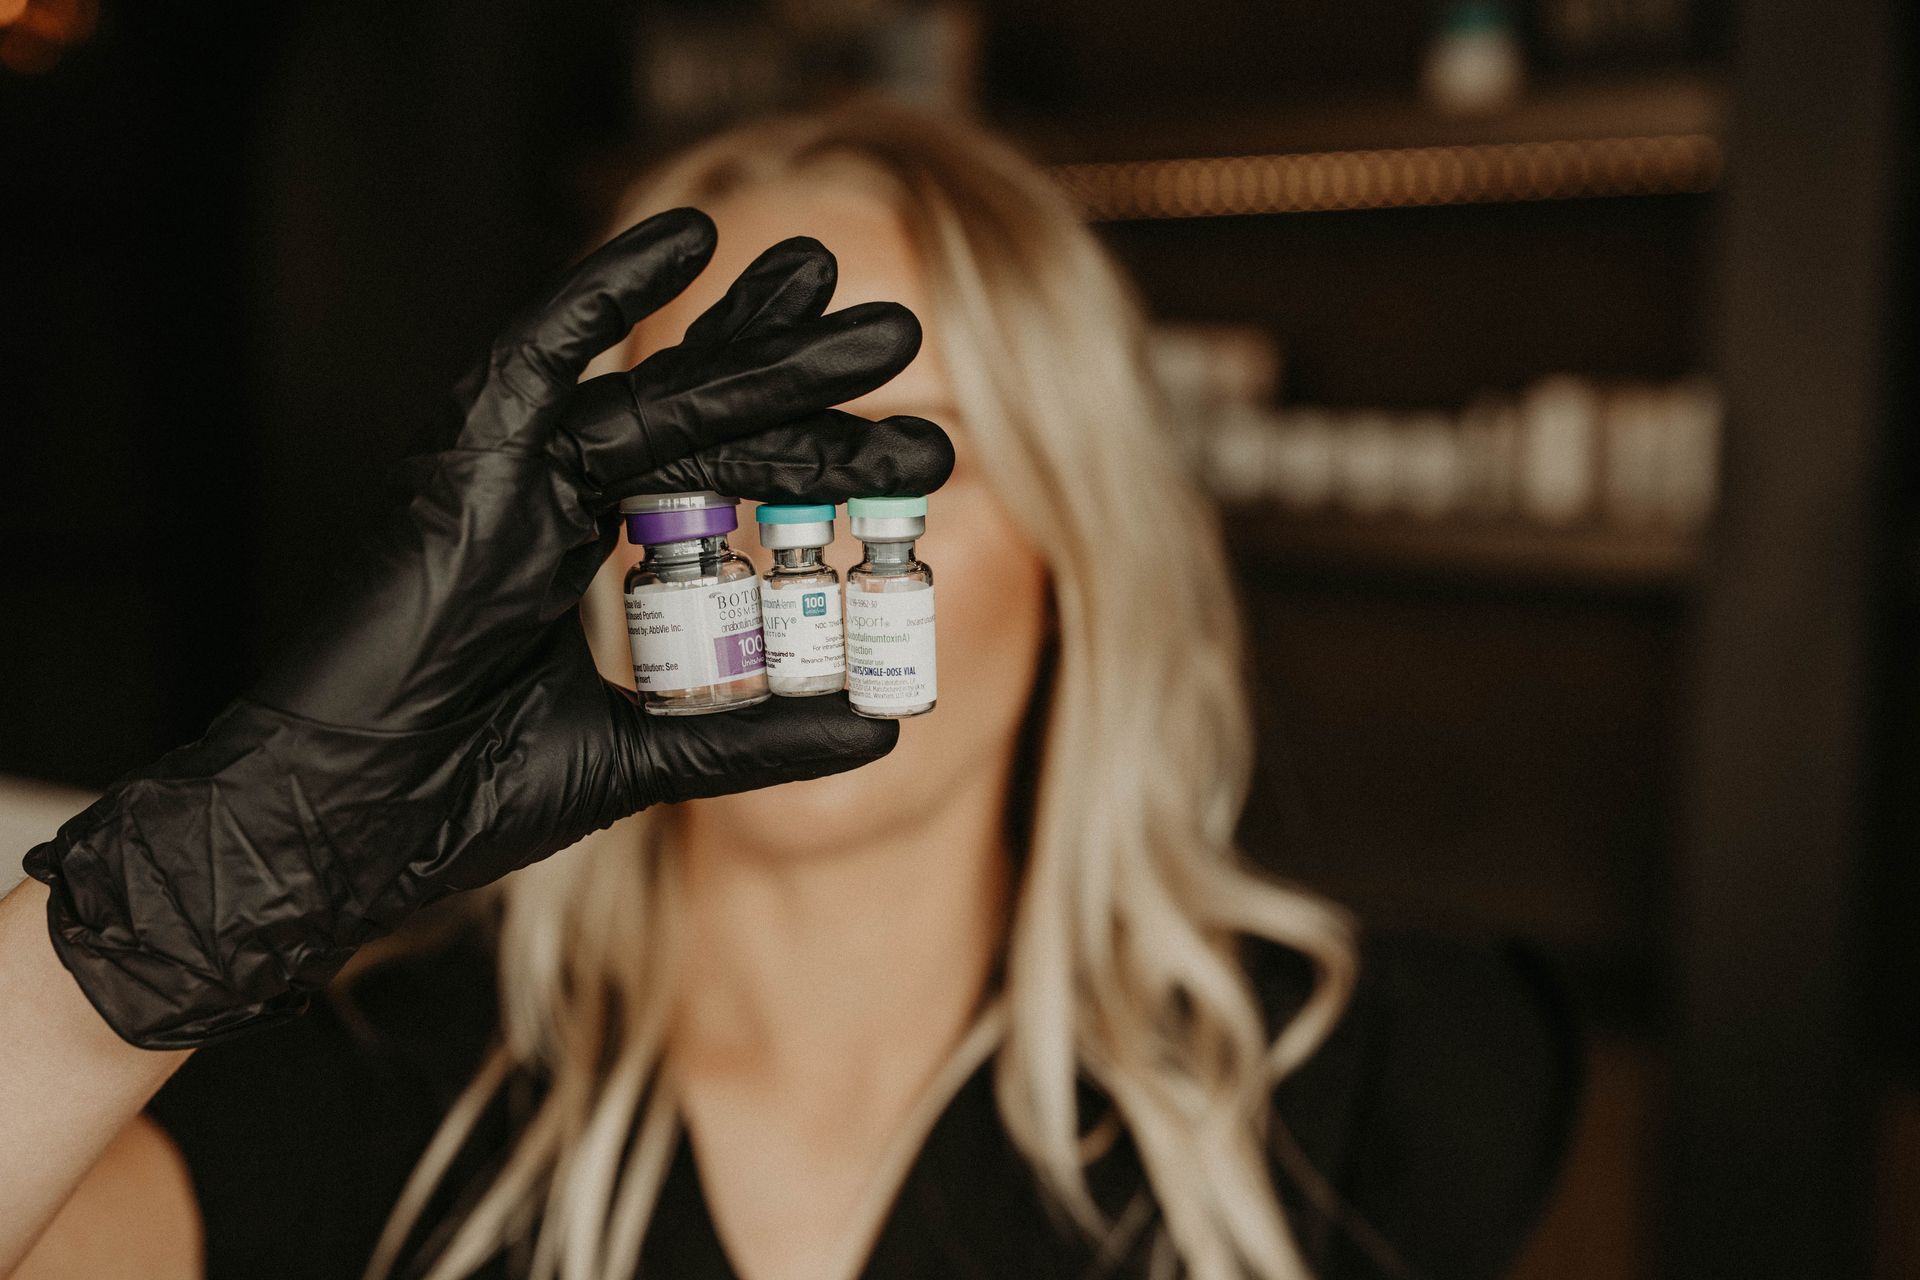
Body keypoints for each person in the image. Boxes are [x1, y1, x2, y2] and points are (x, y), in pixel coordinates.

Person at [2, 103, 1577, 1280]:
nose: (787, 558)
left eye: (875, 468)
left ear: (1077, 549)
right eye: (720, 461)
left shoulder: (1370, 1075)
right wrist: (193, 889)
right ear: (600, 548)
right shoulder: (363, 1092)